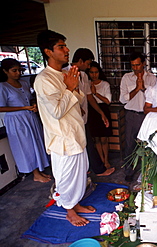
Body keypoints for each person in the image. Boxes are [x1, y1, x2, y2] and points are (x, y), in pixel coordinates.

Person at [34, 30, 95, 226]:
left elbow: (77, 100)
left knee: (80, 174)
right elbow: (57, 111)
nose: (67, 50)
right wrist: (70, 88)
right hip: (62, 140)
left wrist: (73, 88)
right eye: (61, 47)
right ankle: (69, 211)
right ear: (48, 52)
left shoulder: (64, 74)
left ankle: (74, 204)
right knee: (66, 178)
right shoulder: (44, 79)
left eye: (65, 45)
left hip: (75, 135)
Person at [0, 58, 51, 183]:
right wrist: (23, 107)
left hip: (30, 117)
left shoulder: (24, 83)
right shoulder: (3, 86)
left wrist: (33, 105)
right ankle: (35, 173)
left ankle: (40, 170)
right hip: (16, 120)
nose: (18, 73)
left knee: (36, 142)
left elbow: (31, 97)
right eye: (14, 71)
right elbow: (1, 107)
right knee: (26, 146)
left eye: (19, 70)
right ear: (5, 71)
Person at [65, 48, 114, 177]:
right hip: (71, 119)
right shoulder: (65, 74)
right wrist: (77, 108)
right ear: (80, 61)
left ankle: (91, 169)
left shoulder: (84, 76)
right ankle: (95, 170)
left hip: (84, 118)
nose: (88, 66)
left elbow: (89, 97)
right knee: (82, 145)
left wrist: (101, 113)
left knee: (86, 143)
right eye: (88, 63)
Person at [119, 52, 156, 182]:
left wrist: (143, 88)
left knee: (149, 144)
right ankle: (129, 171)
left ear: (143, 63)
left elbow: (155, 98)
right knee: (130, 145)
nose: (135, 68)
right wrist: (136, 88)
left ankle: (149, 171)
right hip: (132, 115)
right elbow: (122, 99)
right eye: (133, 65)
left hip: (148, 116)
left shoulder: (152, 78)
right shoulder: (126, 78)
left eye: (138, 65)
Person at [87, 61, 113, 168]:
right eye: (91, 72)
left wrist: (95, 93)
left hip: (103, 109)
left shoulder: (105, 84)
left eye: (96, 72)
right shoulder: (86, 83)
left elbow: (108, 101)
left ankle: (106, 160)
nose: (94, 75)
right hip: (92, 111)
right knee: (96, 138)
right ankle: (101, 160)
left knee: (104, 138)